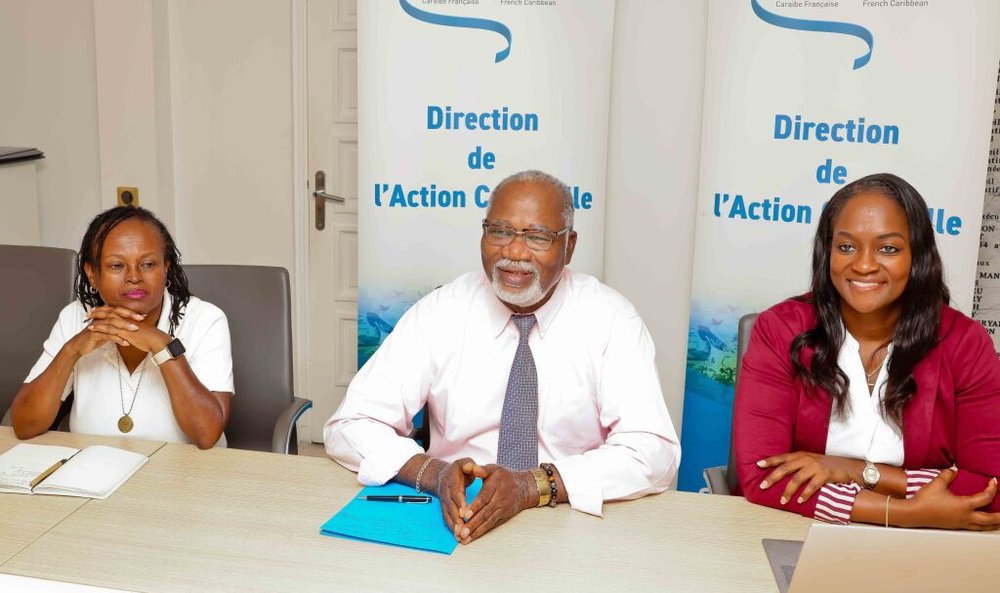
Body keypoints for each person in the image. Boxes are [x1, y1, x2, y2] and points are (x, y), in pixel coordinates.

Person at [325, 170, 679, 544]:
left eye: (537, 237)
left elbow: (653, 451)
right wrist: (433, 473)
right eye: (500, 231)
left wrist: (533, 485)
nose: (514, 252)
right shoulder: (441, 311)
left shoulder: (611, 320)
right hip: (457, 517)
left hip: (568, 522)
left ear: (569, 246)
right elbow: (350, 424)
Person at [733, 173, 1000, 530]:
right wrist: (906, 512)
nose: (863, 265)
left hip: (925, 546)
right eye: (846, 247)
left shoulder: (963, 342)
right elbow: (763, 476)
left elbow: (991, 486)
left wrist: (855, 471)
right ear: (827, 251)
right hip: (791, 531)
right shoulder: (780, 329)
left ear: (917, 255)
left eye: (888, 249)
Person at [12, 206, 233, 449]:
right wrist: (72, 350)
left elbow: (206, 435)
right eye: (117, 265)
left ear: (166, 267)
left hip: (186, 469)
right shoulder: (75, 316)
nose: (134, 277)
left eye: (147, 264)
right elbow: (24, 425)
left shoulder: (205, 319)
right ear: (92, 274)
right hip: (94, 465)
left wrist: (161, 345)